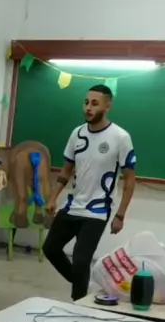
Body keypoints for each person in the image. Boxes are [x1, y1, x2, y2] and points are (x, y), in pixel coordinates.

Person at [43, 83, 136, 302]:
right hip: (72, 206)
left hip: (97, 211)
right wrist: (53, 197)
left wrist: (120, 215)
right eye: (86, 102)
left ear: (107, 107)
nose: (88, 108)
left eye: (94, 103)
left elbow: (130, 180)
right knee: (50, 248)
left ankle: (79, 305)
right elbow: (66, 170)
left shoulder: (120, 137)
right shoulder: (77, 134)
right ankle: (81, 285)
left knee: (81, 259)